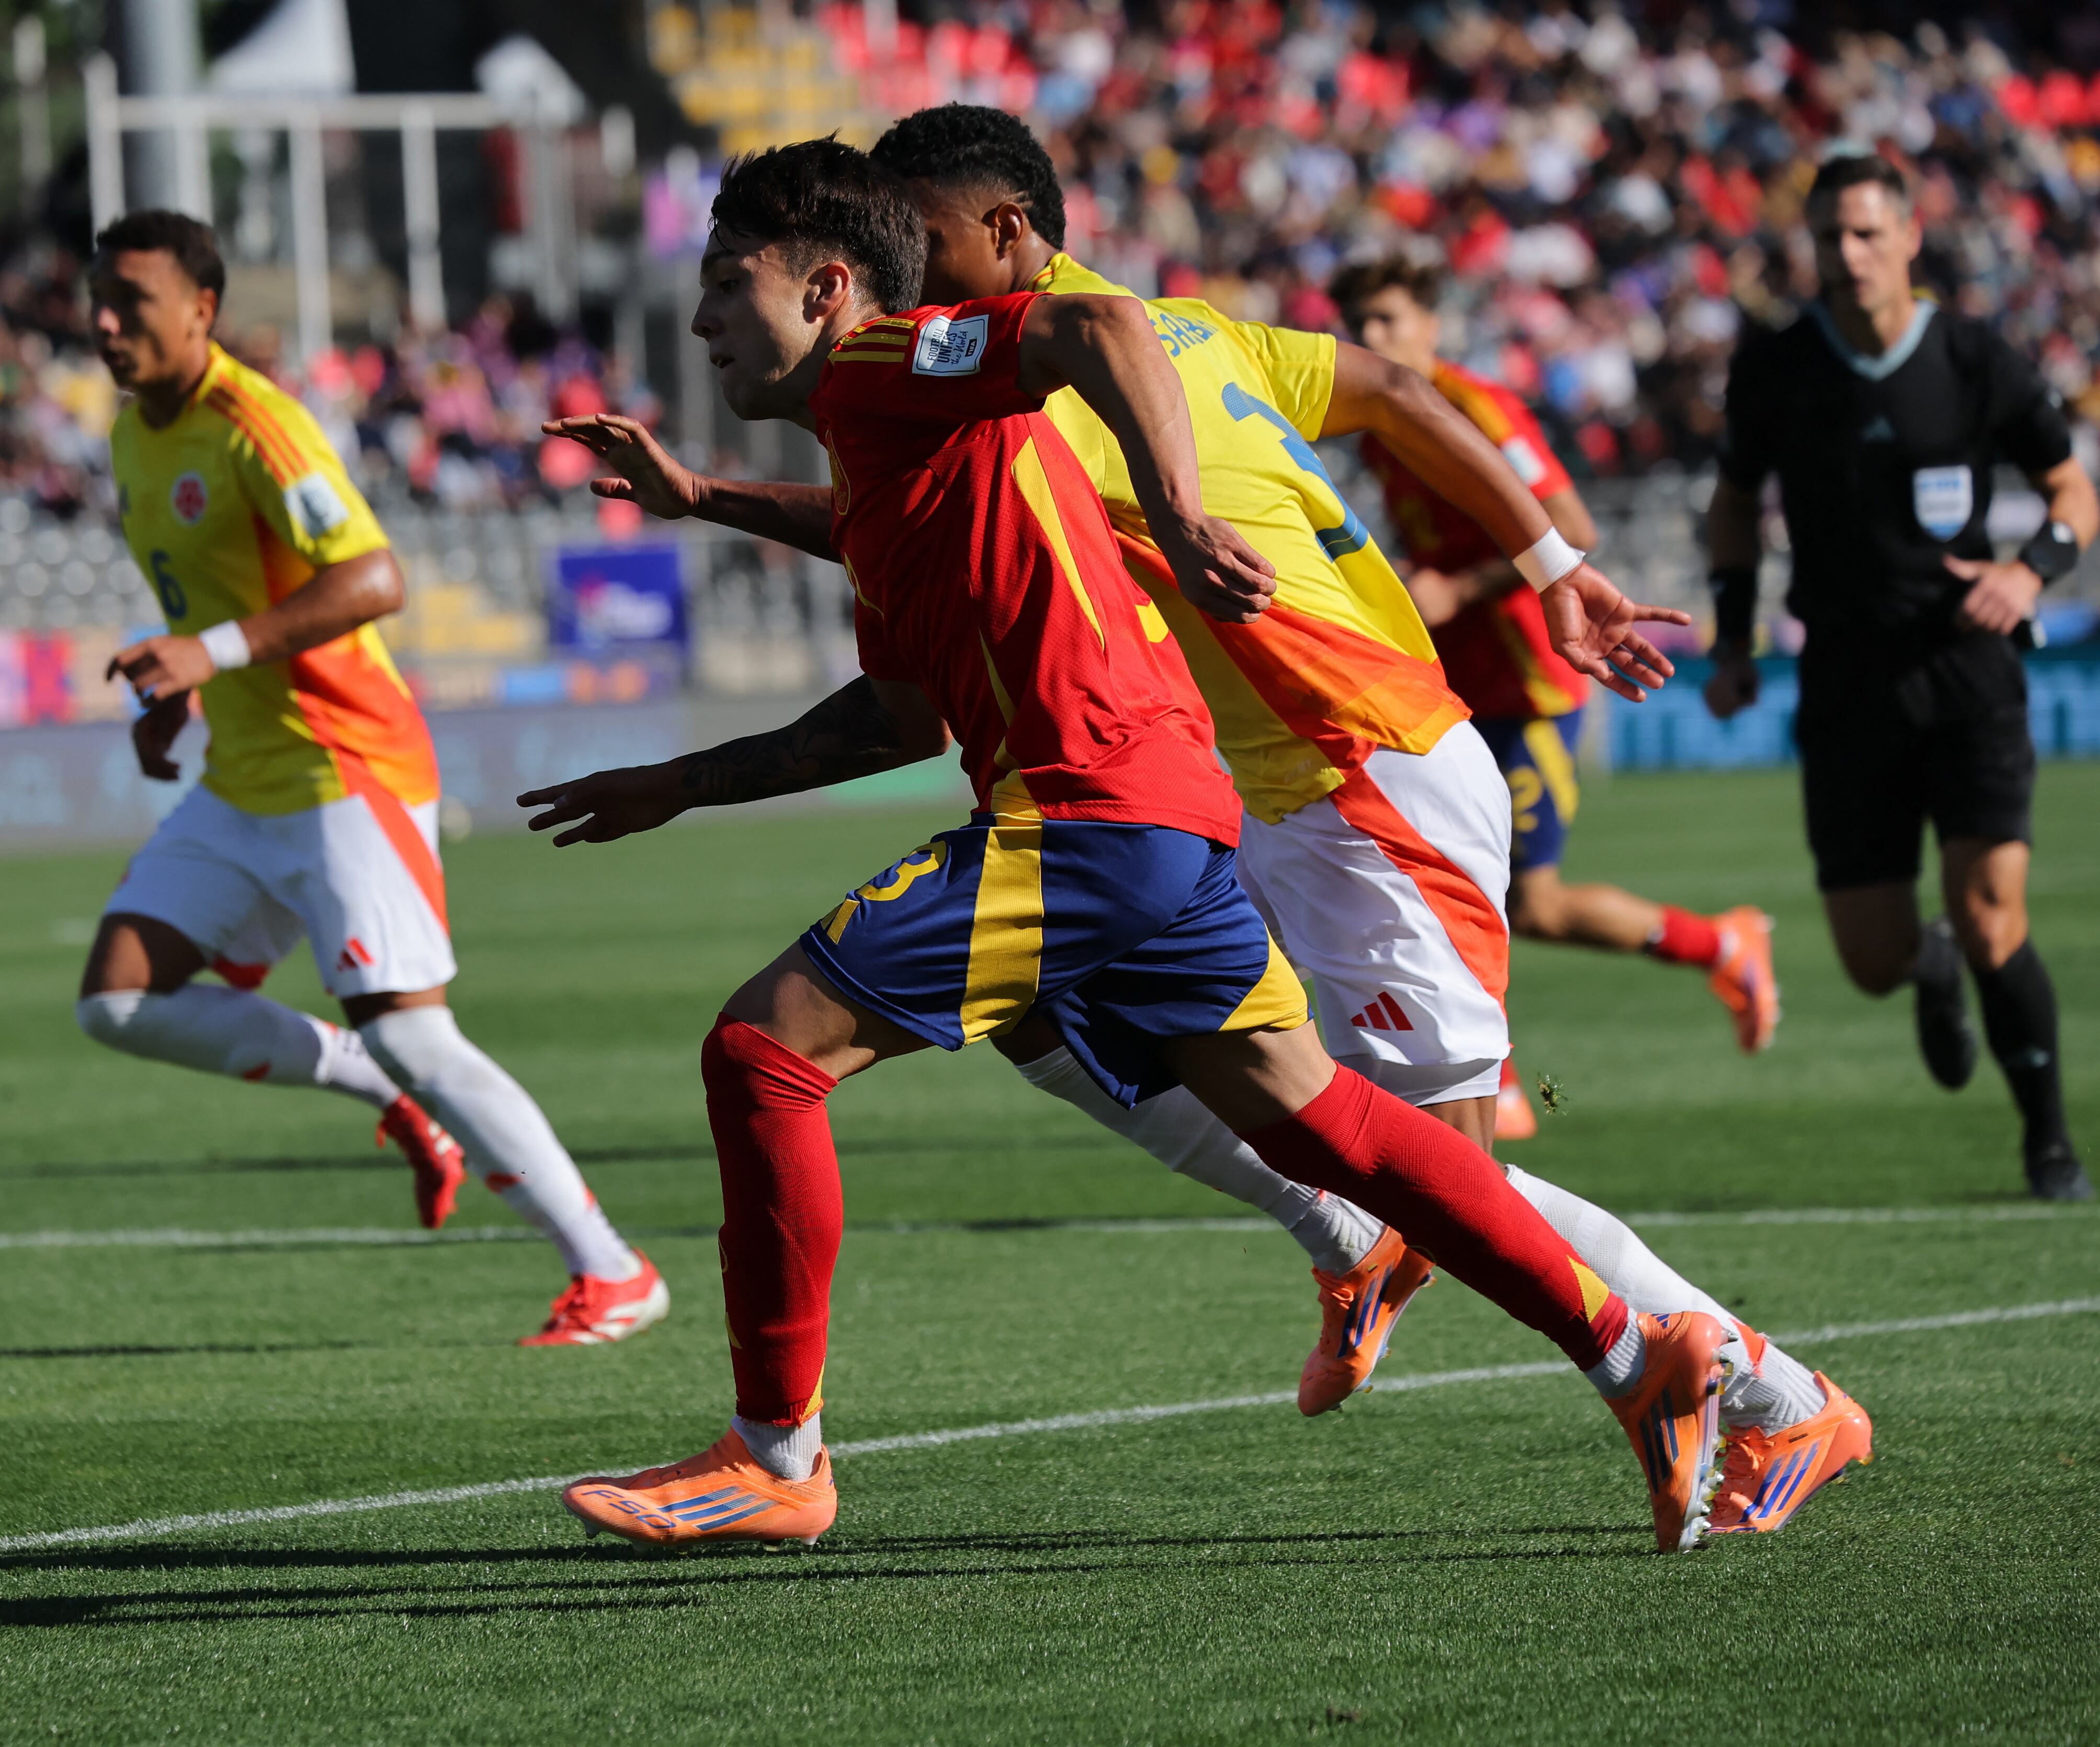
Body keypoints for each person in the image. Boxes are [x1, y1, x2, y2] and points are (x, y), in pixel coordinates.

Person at [550, 107, 1866, 1538]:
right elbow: (1374, 392)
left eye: (916, 235)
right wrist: (1555, 558)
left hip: (1337, 768)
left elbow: (1089, 346)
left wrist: (1184, 522)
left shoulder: (1003, 352)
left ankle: (1762, 1383)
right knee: (1172, 1067)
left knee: (772, 1049)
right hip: (1223, 794)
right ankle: (1547, 1316)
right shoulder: (1163, 344)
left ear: (997, 236)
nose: (905, 265)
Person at [71, 210, 669, 1343]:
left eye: (131, 302)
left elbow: (375, 575)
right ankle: (375, 1085)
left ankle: (615, 1267)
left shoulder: (260, 425)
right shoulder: (133, 433)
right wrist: (183, 689)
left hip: (348, 764)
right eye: (97, 300)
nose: (105, 323)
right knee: (117, 998)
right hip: (244, 775)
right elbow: (211, 600)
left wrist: (211, 653)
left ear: (200, 310)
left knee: (421, 1032)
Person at [1705, 154, 2096, 1205]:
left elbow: (2071, 487)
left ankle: (2048, 1141)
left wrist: (2030, 568)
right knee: (1872, 958)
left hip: (1966, 668)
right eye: (1829, 235)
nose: (1846, 254)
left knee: (1992, 913)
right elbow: (1734, 502)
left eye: (1867, 233)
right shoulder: (1779, 366)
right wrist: (1734, 640)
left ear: (1909, 236)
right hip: (1843, 681)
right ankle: (1926, 971)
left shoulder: (1974, 356)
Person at [1331, 255, 1780, 1136]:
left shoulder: (1479, 408)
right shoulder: (1376, 420)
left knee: (1519, 899)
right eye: (1360, 327)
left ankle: (1718, 947)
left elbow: (1571, 530)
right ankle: (1493, 1074)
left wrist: (1460, 590)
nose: (1372, 342)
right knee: (1444, 875)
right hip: (1447, 687)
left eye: (1388, 321)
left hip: (1529, 683)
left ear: (1430, 323)